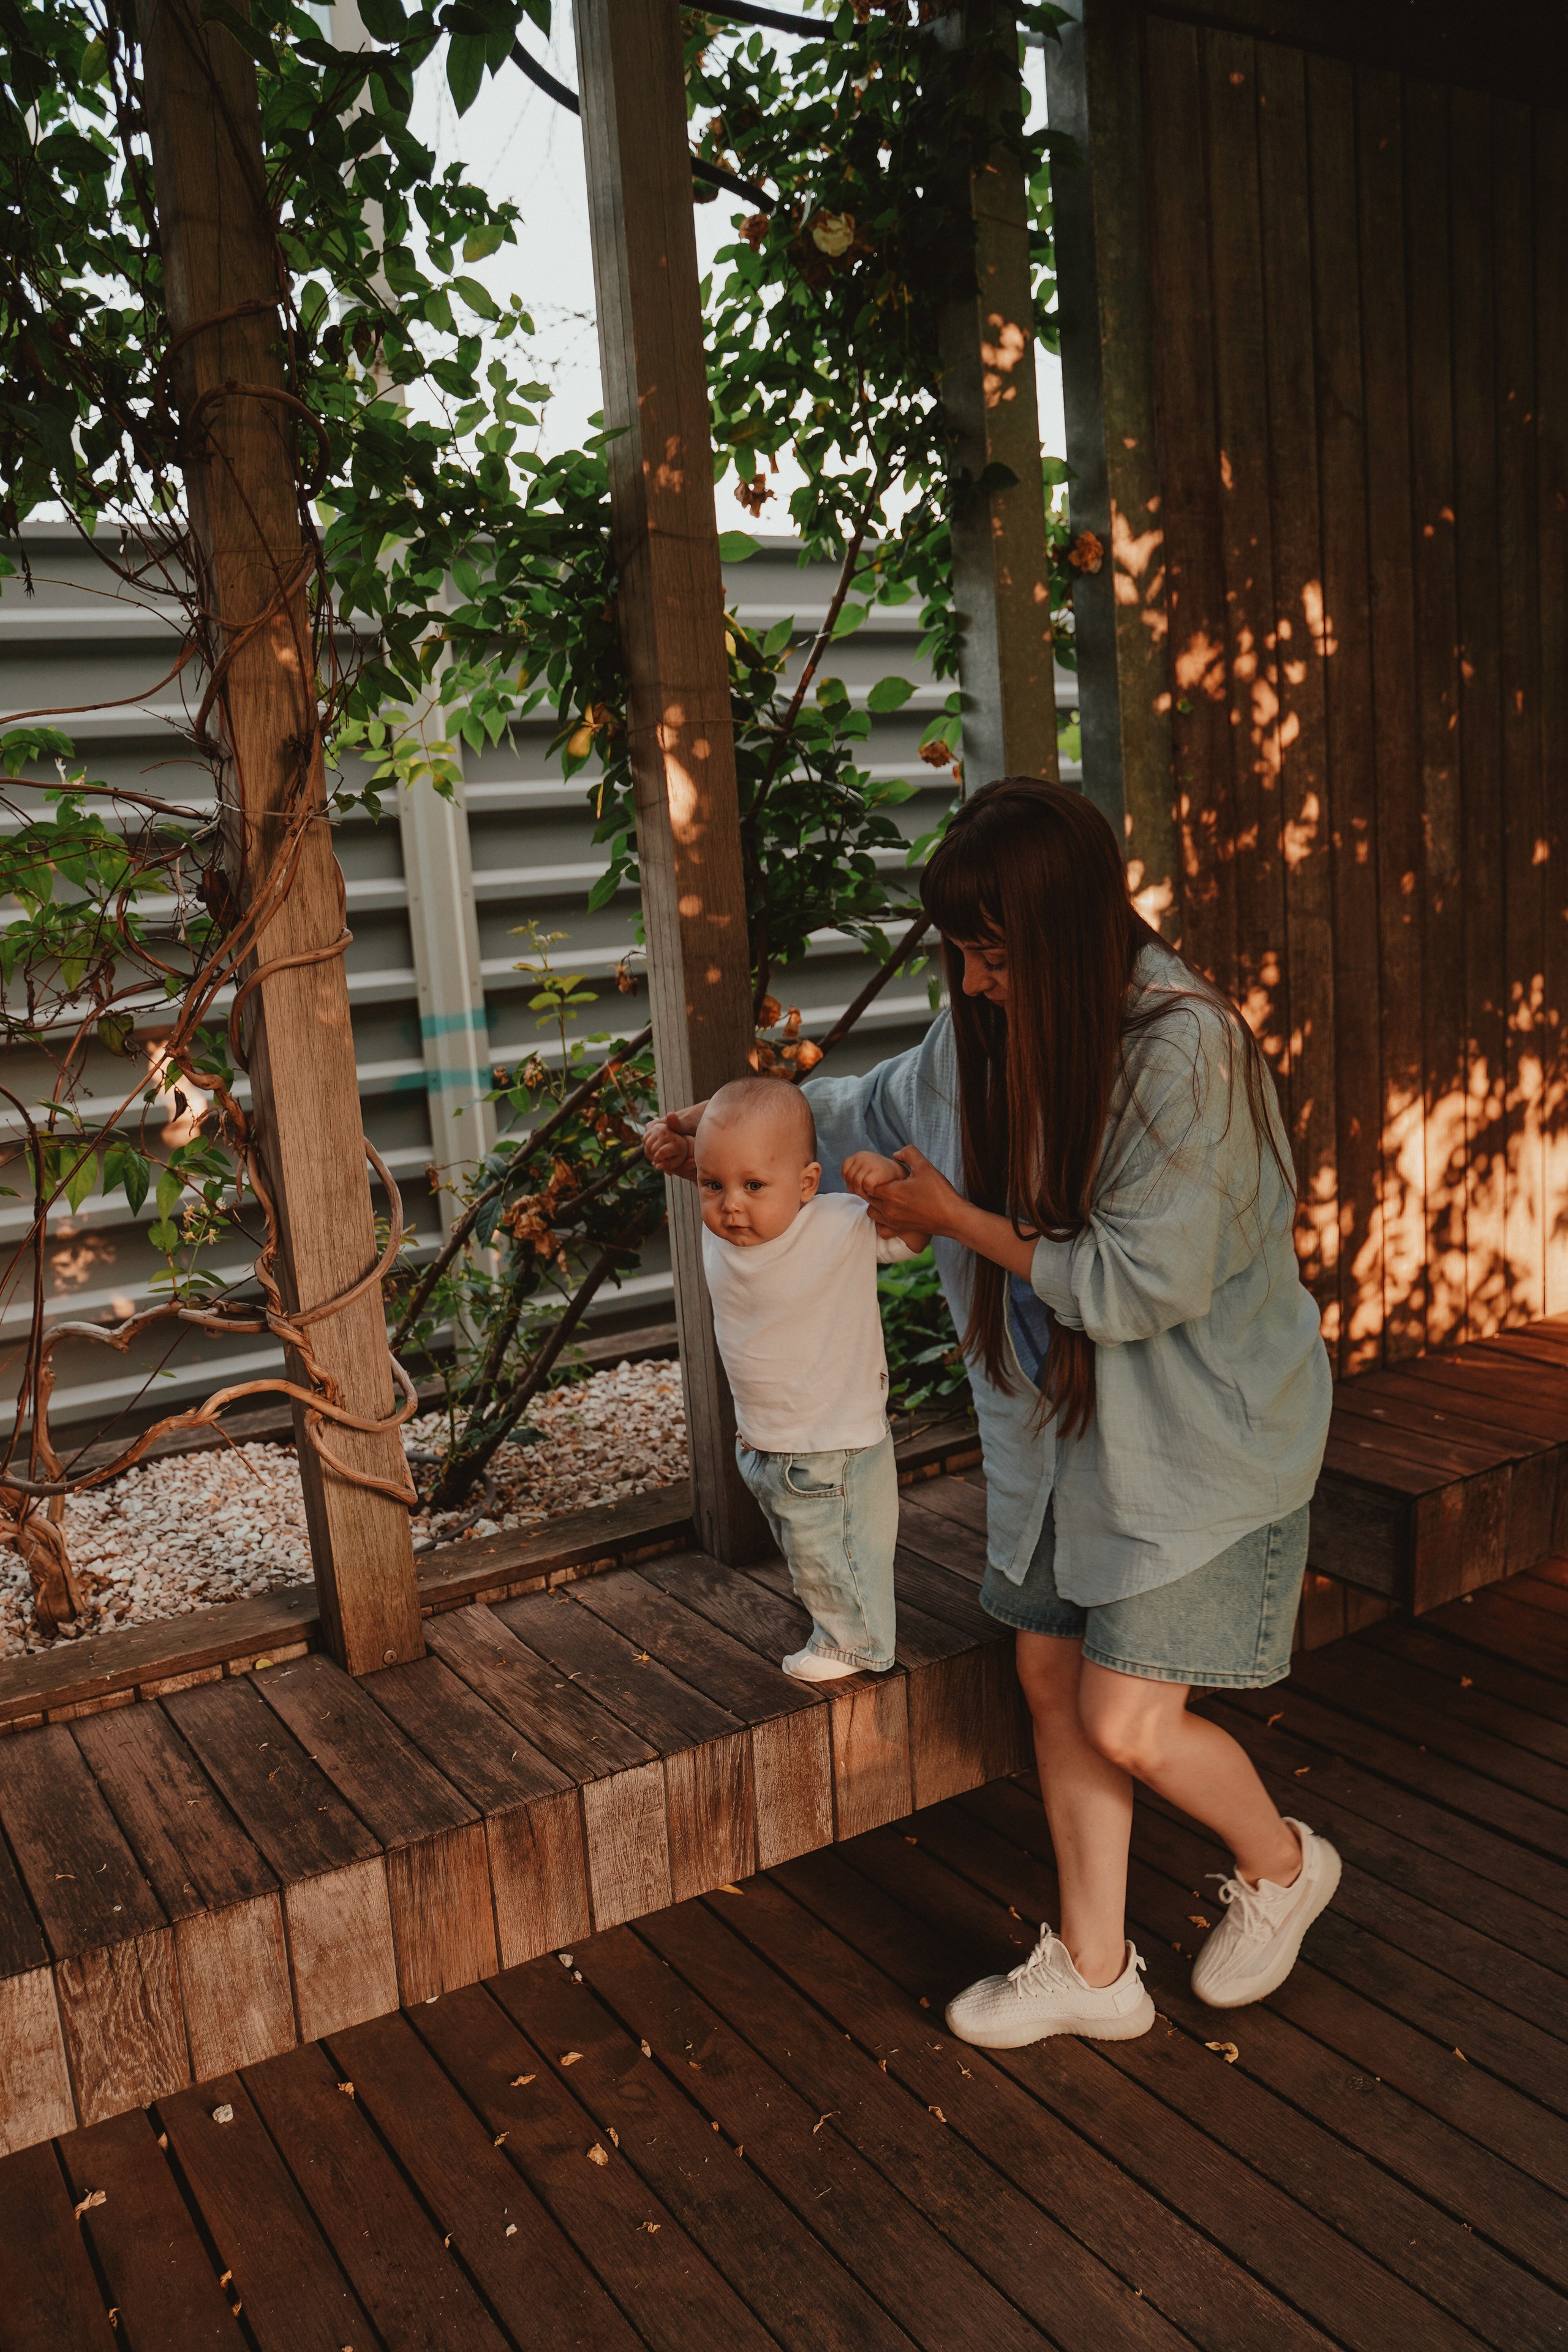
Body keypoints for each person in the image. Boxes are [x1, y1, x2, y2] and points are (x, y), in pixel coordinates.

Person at [647, 778, 1335, 2045]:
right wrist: (720, 1136)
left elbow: (1139, 1283)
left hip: (1192, 1441)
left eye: (995, 956)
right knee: (1048, 1677)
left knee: (1127, 1719)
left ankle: (1283, 1866)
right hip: (1058, 1437)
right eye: (961, 952)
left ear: (1068, 937)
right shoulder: (989, 1024)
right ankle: (1094, 1970)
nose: (970, 982)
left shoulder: (1184, 1052)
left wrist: (955, 1220)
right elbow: (869, 1109)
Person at [680, 1076, 927, 1681]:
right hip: (766, 1438)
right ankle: (835, 1620)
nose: (730, 1205)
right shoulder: (726, 1231)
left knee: (838, 1548)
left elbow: (913, 1234)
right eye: (713, 1185)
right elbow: (715, 1161)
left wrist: (890, 1180)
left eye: (753, 1186)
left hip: (832, 1442)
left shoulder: (837, 1224)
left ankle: (854, 1644)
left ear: (807, 1184)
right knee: (810, 1550)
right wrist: (673, 1142)